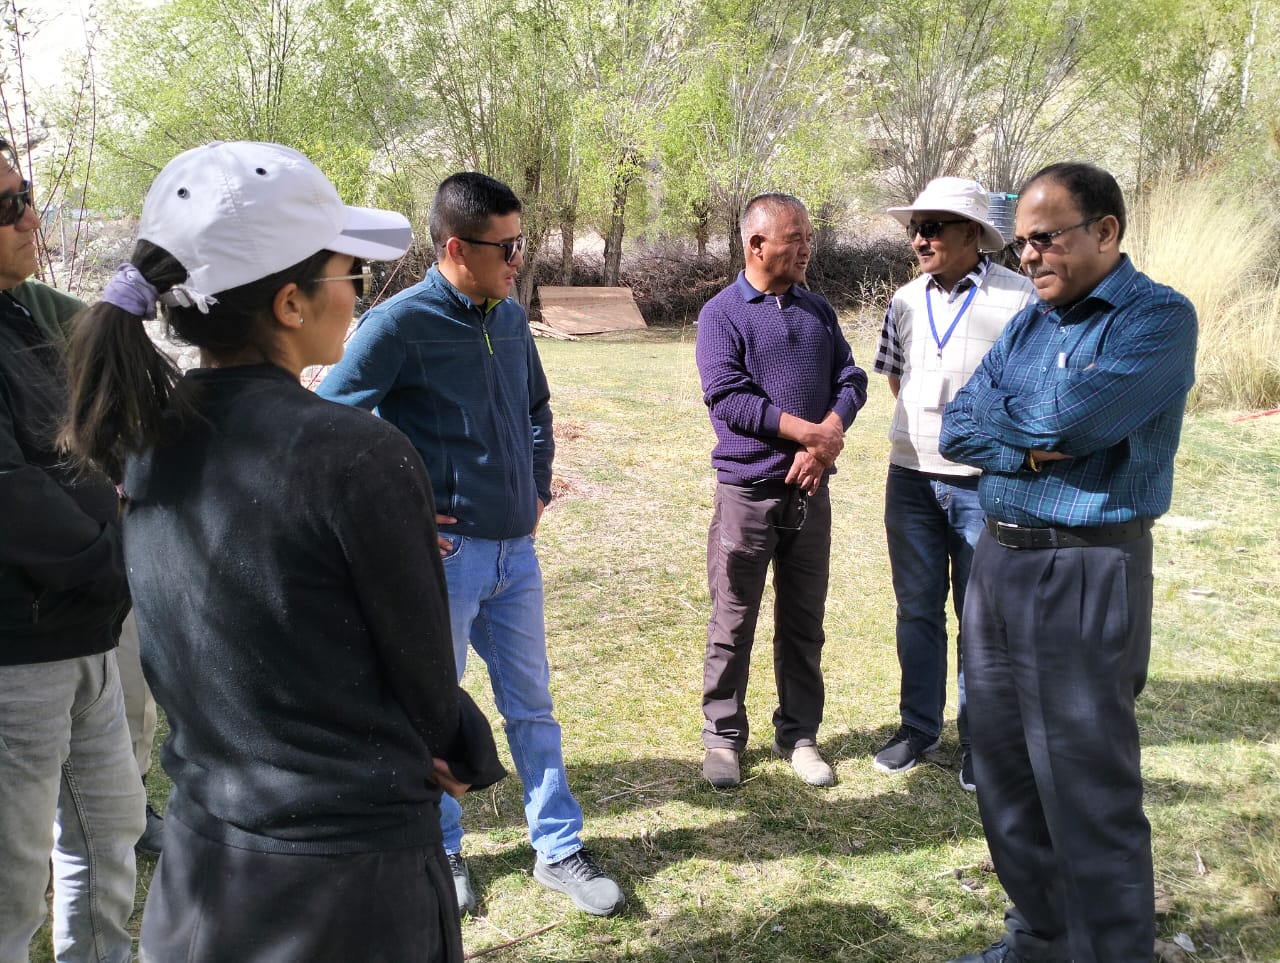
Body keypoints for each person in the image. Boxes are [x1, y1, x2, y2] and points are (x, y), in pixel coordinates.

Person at [60, 140, 506, 963]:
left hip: (202, 879)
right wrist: (465, 744)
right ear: (292, 303)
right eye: (350, 275)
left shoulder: (147, 439)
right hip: (345, 890)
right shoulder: (357, 454)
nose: (357, 297)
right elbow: (422, 677)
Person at [318, 171, 626, 918]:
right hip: (444, 563)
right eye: (507, 246)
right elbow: (327, 424)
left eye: (521, 241)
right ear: (456, 247)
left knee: (534, 707)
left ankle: (557, 847)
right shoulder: (397, 325)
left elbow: (537, 408)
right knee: (432, 709)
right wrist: (400, 517)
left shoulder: (511, 316)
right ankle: (445, 850)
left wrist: (539, 484)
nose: (518, 258)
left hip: (515, 555)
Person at [939, 162, 1197, 963]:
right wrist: (1036, 446)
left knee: (1087, 788)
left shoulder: (1156, 320)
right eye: (1021, 245)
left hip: (1086, 569)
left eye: (1045, 238)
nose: (1029, 258)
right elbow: (958, 426)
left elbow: (1078, 420)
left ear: (1106, 231)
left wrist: (1029, 432)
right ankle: (1039, 939)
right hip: (1000, 564)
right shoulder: (1028, 323)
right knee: (1006, 772)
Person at [0, 135, 144, 963]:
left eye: (26, 195)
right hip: (18, 651)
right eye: (6, 205)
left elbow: (87, 441)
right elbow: (10, 495)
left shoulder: (27, 312)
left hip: (85, 627)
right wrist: (116, 557)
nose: (28, 216)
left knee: (107, 834)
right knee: (12, 879)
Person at [694, 193, 868, 790]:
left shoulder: (817, 310)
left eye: (808, 238)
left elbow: (851, 376)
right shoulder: (721, 315)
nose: (806, 249)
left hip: (809, 496)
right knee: (733, 619)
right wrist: (807, 434)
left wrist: (826, 441)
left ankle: (800, 735)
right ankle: (722, 737)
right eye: (795, 238)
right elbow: (729, 397)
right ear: (757, 244)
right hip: (748, 493)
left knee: (804, 621)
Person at [872, 178, 1033, 791]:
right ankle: (918, 728)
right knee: (916, 611)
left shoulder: (1019, 299)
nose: (920, 238)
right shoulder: (905, 300)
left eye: (934, 226)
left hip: (980, 484)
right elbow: (896, 379)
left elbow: (1025, 391)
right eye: (916, 227)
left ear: (973, 234)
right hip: (910, 477)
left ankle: (980, 741)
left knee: (981, 617)